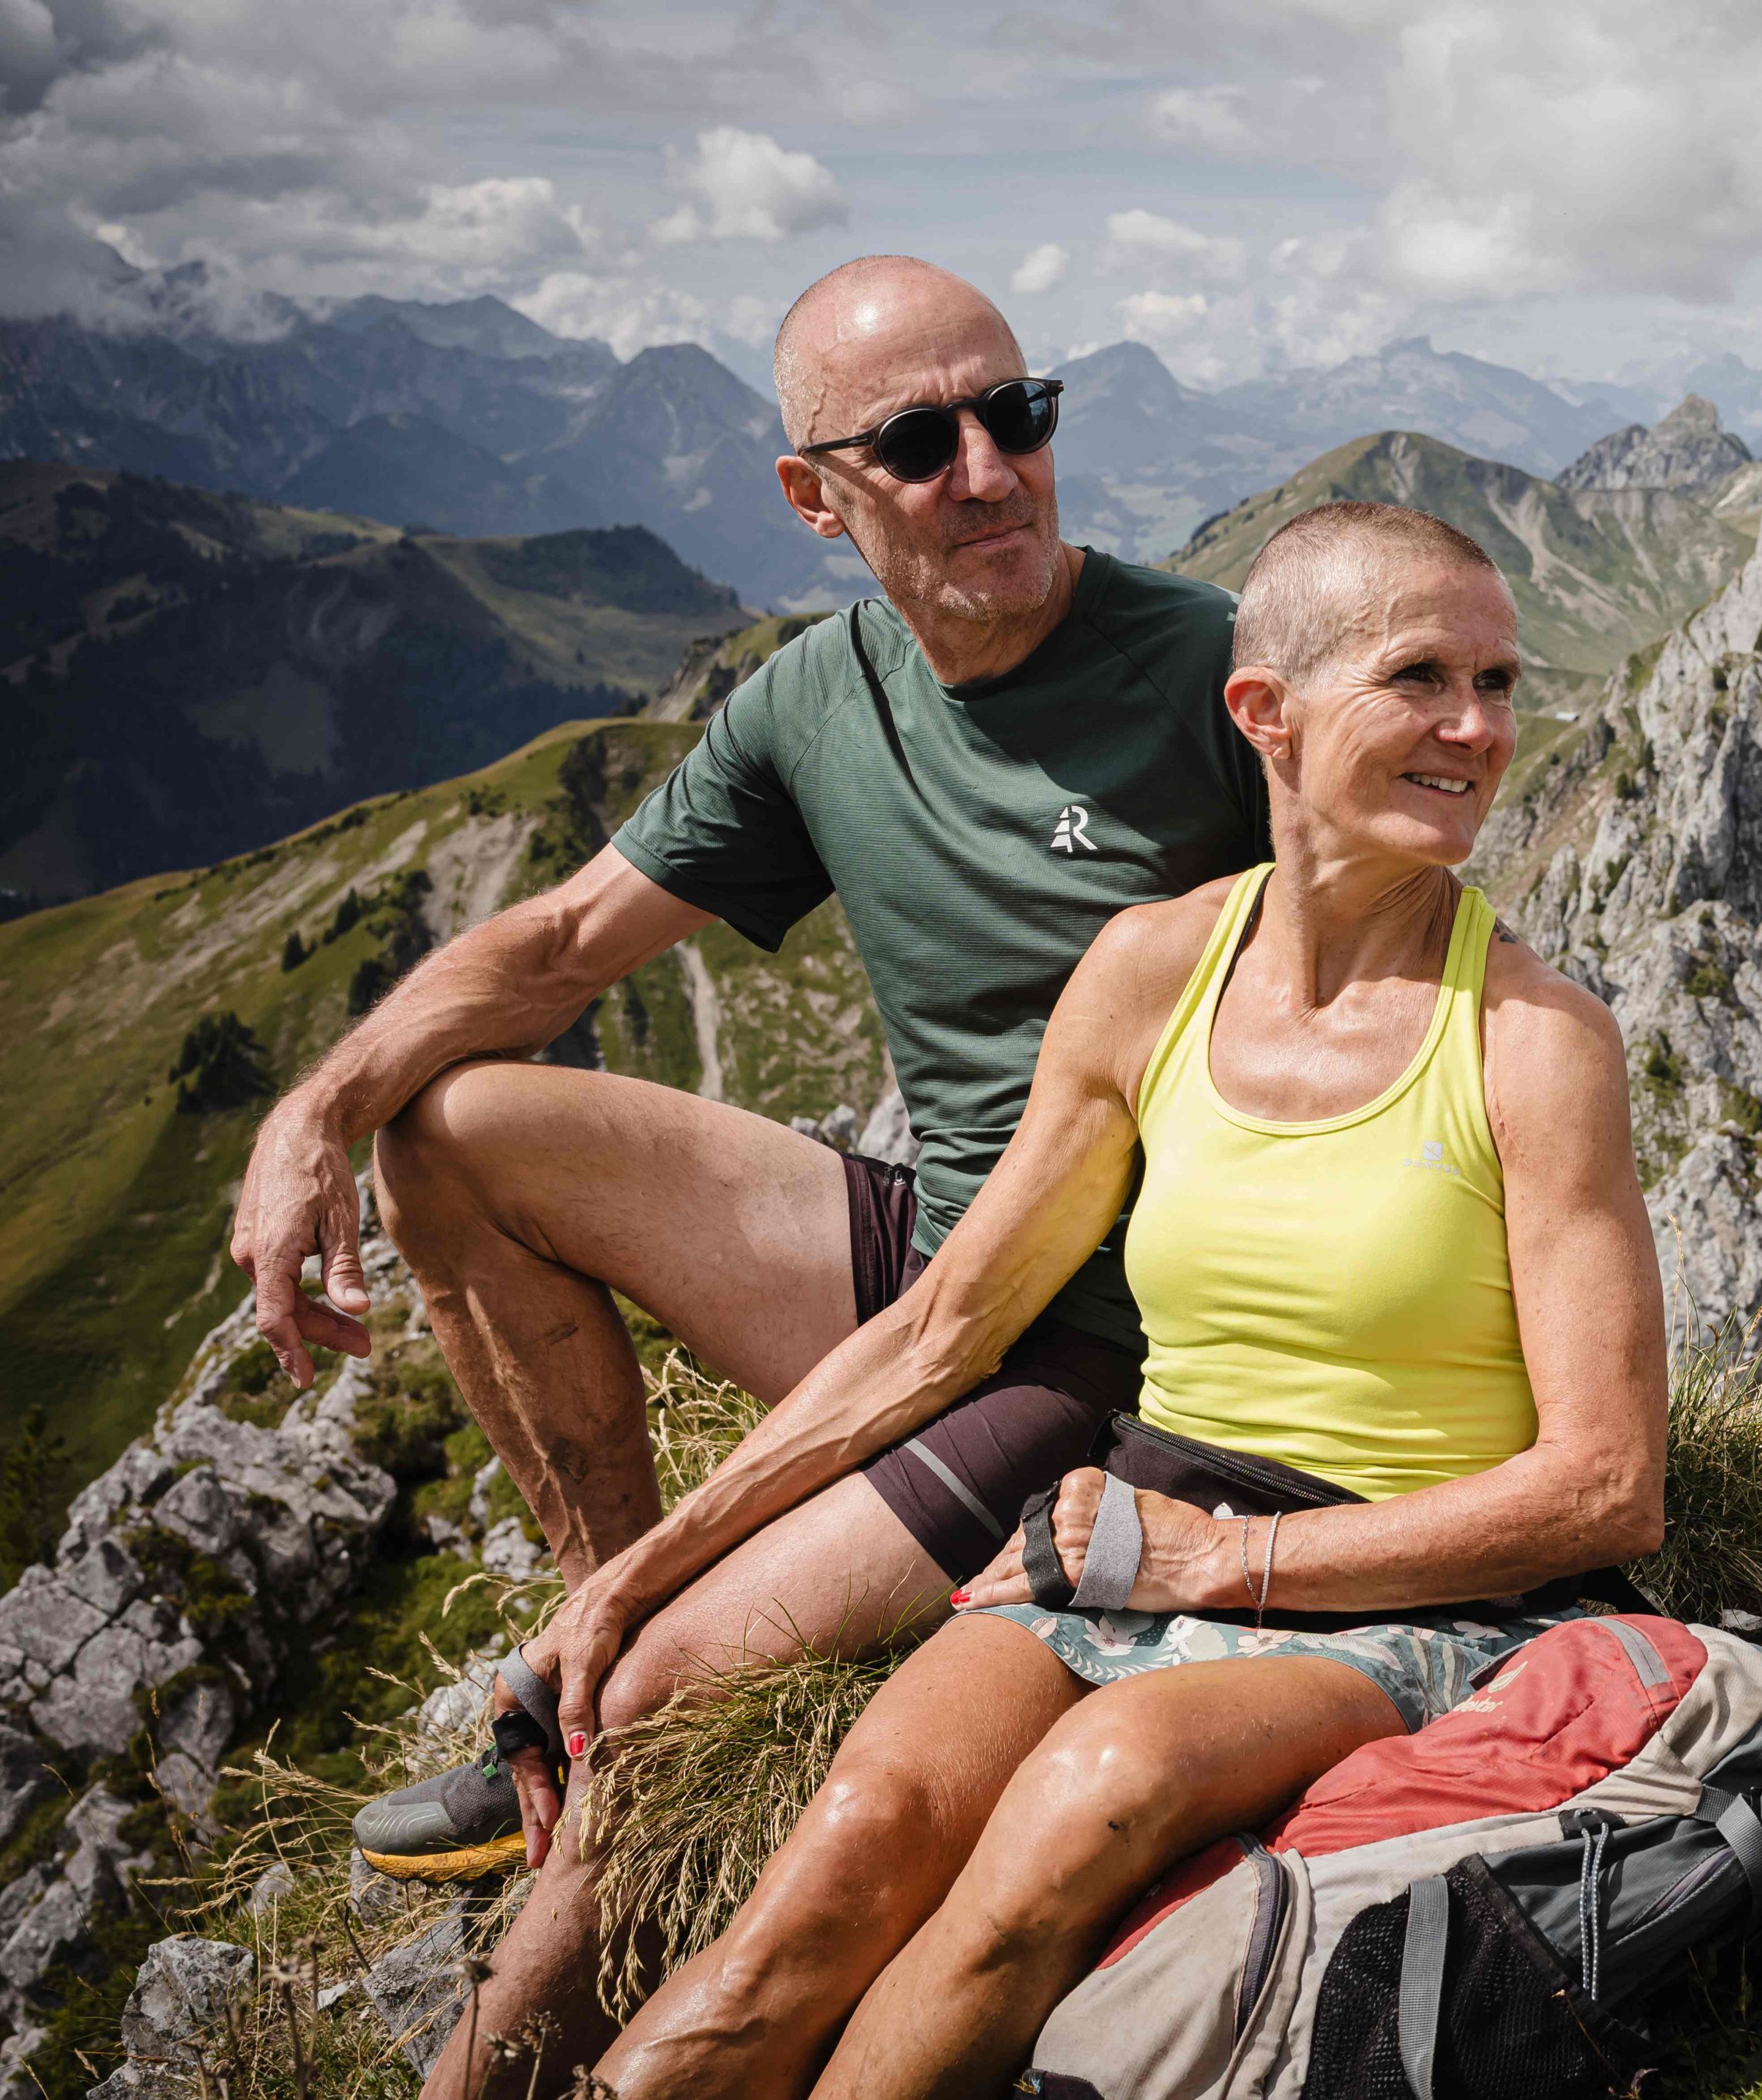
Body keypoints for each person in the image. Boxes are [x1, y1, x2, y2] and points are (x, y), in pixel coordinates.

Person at [222, 254, 1271, 2082]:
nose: (989, 469)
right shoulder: (814, 705)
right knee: (452, 1129)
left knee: (668, 1686)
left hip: (1098, 1344)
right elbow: (554, 948)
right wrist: (318, 1108)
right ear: (813, 497)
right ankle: (602, 1616)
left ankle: (543, 1932)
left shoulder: (1207, 669)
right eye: (919, 438)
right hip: (925, 1253)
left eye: (1016, 413)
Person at [565, 500, 1669, 2098]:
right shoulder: (1151, 971)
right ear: (1264, 715)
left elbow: (1604, 1488)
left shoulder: (1535, 1044)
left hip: (1415, 1589)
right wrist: (644, 1578)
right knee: (850, 1848)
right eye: (1419, 675)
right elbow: (948, 1325)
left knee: (1081, 1801)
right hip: (1135, 1536)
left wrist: (1234, 1562)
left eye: (1499, 683)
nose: (1476, 728)